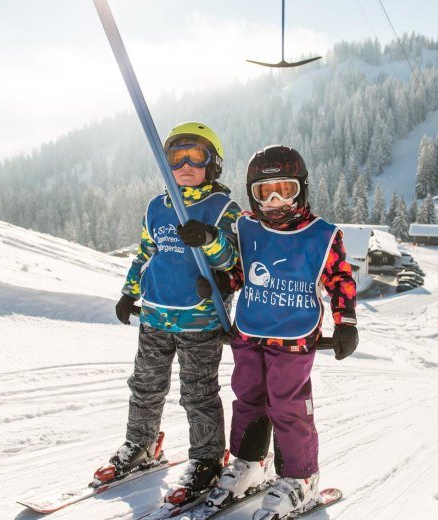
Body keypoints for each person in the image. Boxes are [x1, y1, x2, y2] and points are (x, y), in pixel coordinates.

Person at [95, 122, 243, 504]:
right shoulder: (157, 207)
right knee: (145, 387)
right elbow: (146, 253)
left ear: (214, 164)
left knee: (198, 394)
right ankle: (141, 444)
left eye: (197, 156)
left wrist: (208, 239)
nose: (186, 164)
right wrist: (129, 293)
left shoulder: (223, 208)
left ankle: (208, 458)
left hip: (200, 320)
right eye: (177, 156)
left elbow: (232, 262)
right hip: (156, 316)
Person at [208, 145, 358, 519]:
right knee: (247, 399)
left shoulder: (321, 235)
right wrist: (220, 281)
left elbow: (340, 279)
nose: (275, 201)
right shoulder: (248, 228)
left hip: (293, 338)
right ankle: (250, 463)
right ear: (251, 193)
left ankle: (301, 478)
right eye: (264, 191)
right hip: (249, 332)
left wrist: (346, 323)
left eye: (285, 190)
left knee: (288, 406)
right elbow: (239, 271)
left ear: (302, 189)